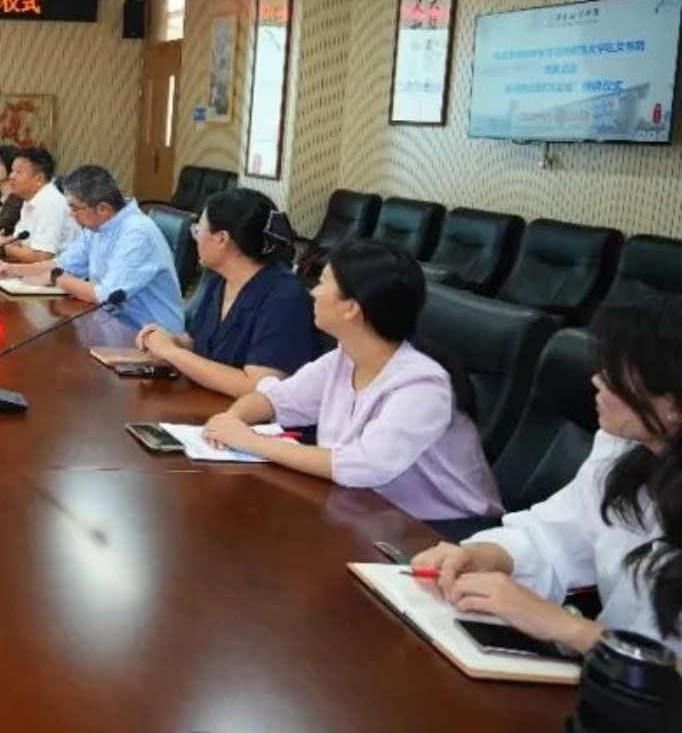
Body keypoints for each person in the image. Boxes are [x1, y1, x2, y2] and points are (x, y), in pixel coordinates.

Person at [411, 294, 682, 655]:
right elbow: (554, 535)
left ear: (673, 405)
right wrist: (486, 555)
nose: (597, 380)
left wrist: (567, 627)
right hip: (605, 675)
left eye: (617, 373)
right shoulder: (624, 449)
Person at [201, 239, 502, 522]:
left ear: (351, 308)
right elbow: (275, 398)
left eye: (323, 283)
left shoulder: (423, 386)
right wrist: (232, 420)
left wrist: (251, 441)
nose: (313, 293)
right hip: (368, 510)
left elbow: (364, 465)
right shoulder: (344, 359)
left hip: (443, 528)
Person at [136, 189, 317, 396]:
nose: (196, 238)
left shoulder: (284, 298)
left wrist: (172, 352)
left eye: (198, 230)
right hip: (205, 403)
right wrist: (169, 341)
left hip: (251, 415)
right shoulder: (220, 279)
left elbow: (258, 387)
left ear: (221, 238)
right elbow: (197, 343)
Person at [0, 164, 184, 332]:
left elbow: (105, 295)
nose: (71, 214)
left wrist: (57, 277)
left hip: (150, 337)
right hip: (110, 325)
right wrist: (13, 270)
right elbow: (62, 263)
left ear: (102, 208)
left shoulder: (136, 234)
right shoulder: (97, 226)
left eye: (74, 208)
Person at [0, 147, 75, 262]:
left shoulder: (51, 203)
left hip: (60, 271)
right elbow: (20, 240)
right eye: (12, 171)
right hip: (35, 269)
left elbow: (42, 257)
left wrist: (3, 246)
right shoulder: (30, 198)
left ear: (39, 179)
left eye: (18, 172)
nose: (11, 176)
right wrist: (0, 241)